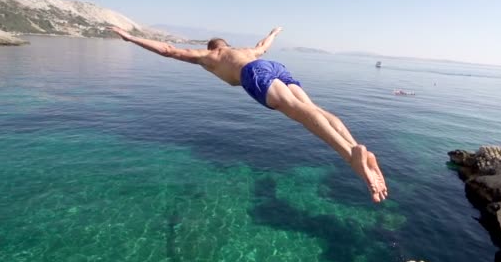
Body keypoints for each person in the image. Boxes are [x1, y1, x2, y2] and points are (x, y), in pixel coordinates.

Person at [111, 26, 388, 202]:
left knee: (300, 113)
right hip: (271, 65)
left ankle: (350, 155)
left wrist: (130, 37)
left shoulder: (210, 57)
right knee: (315, 109)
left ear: (212, 48)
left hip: (253, 74)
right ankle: (353, 144)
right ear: (226, 43)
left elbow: (169, 50)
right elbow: (264, 44)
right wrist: (275, 33)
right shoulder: (244, 50)